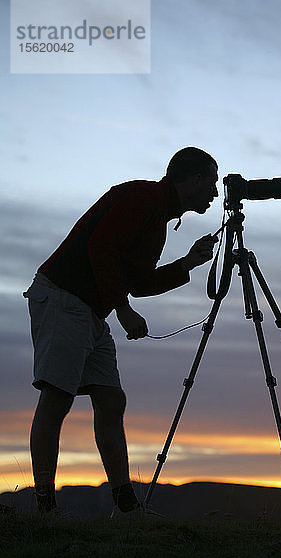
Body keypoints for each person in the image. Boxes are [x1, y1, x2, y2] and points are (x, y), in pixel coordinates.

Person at [23, 147, 219, 514]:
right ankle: (45, 508)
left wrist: (188, 263)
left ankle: (126, 504)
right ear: (192, 180)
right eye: (211, 182)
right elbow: (102, 247)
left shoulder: (157, 217)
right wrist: (124, 310)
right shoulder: (141, 197)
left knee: (111, 400)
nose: (215, 193)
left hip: (91, 310)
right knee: (57, 398)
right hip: (64, 297)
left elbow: (139, 281)